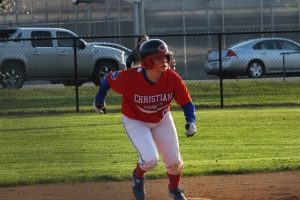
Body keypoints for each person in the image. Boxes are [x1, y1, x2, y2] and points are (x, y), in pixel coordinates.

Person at [93, 39, 197, 200]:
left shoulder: (172, 77)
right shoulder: (130, 78)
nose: (164, 61)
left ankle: (174, 189)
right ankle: (138, 175)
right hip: (136, 121)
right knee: (150, 159)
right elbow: (107, 79)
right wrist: (99, 101)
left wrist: (191, 121)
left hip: (162, 119)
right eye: (158, 58)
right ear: (147, 61)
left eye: (165, 57)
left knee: (175, 162)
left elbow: (187, 102)